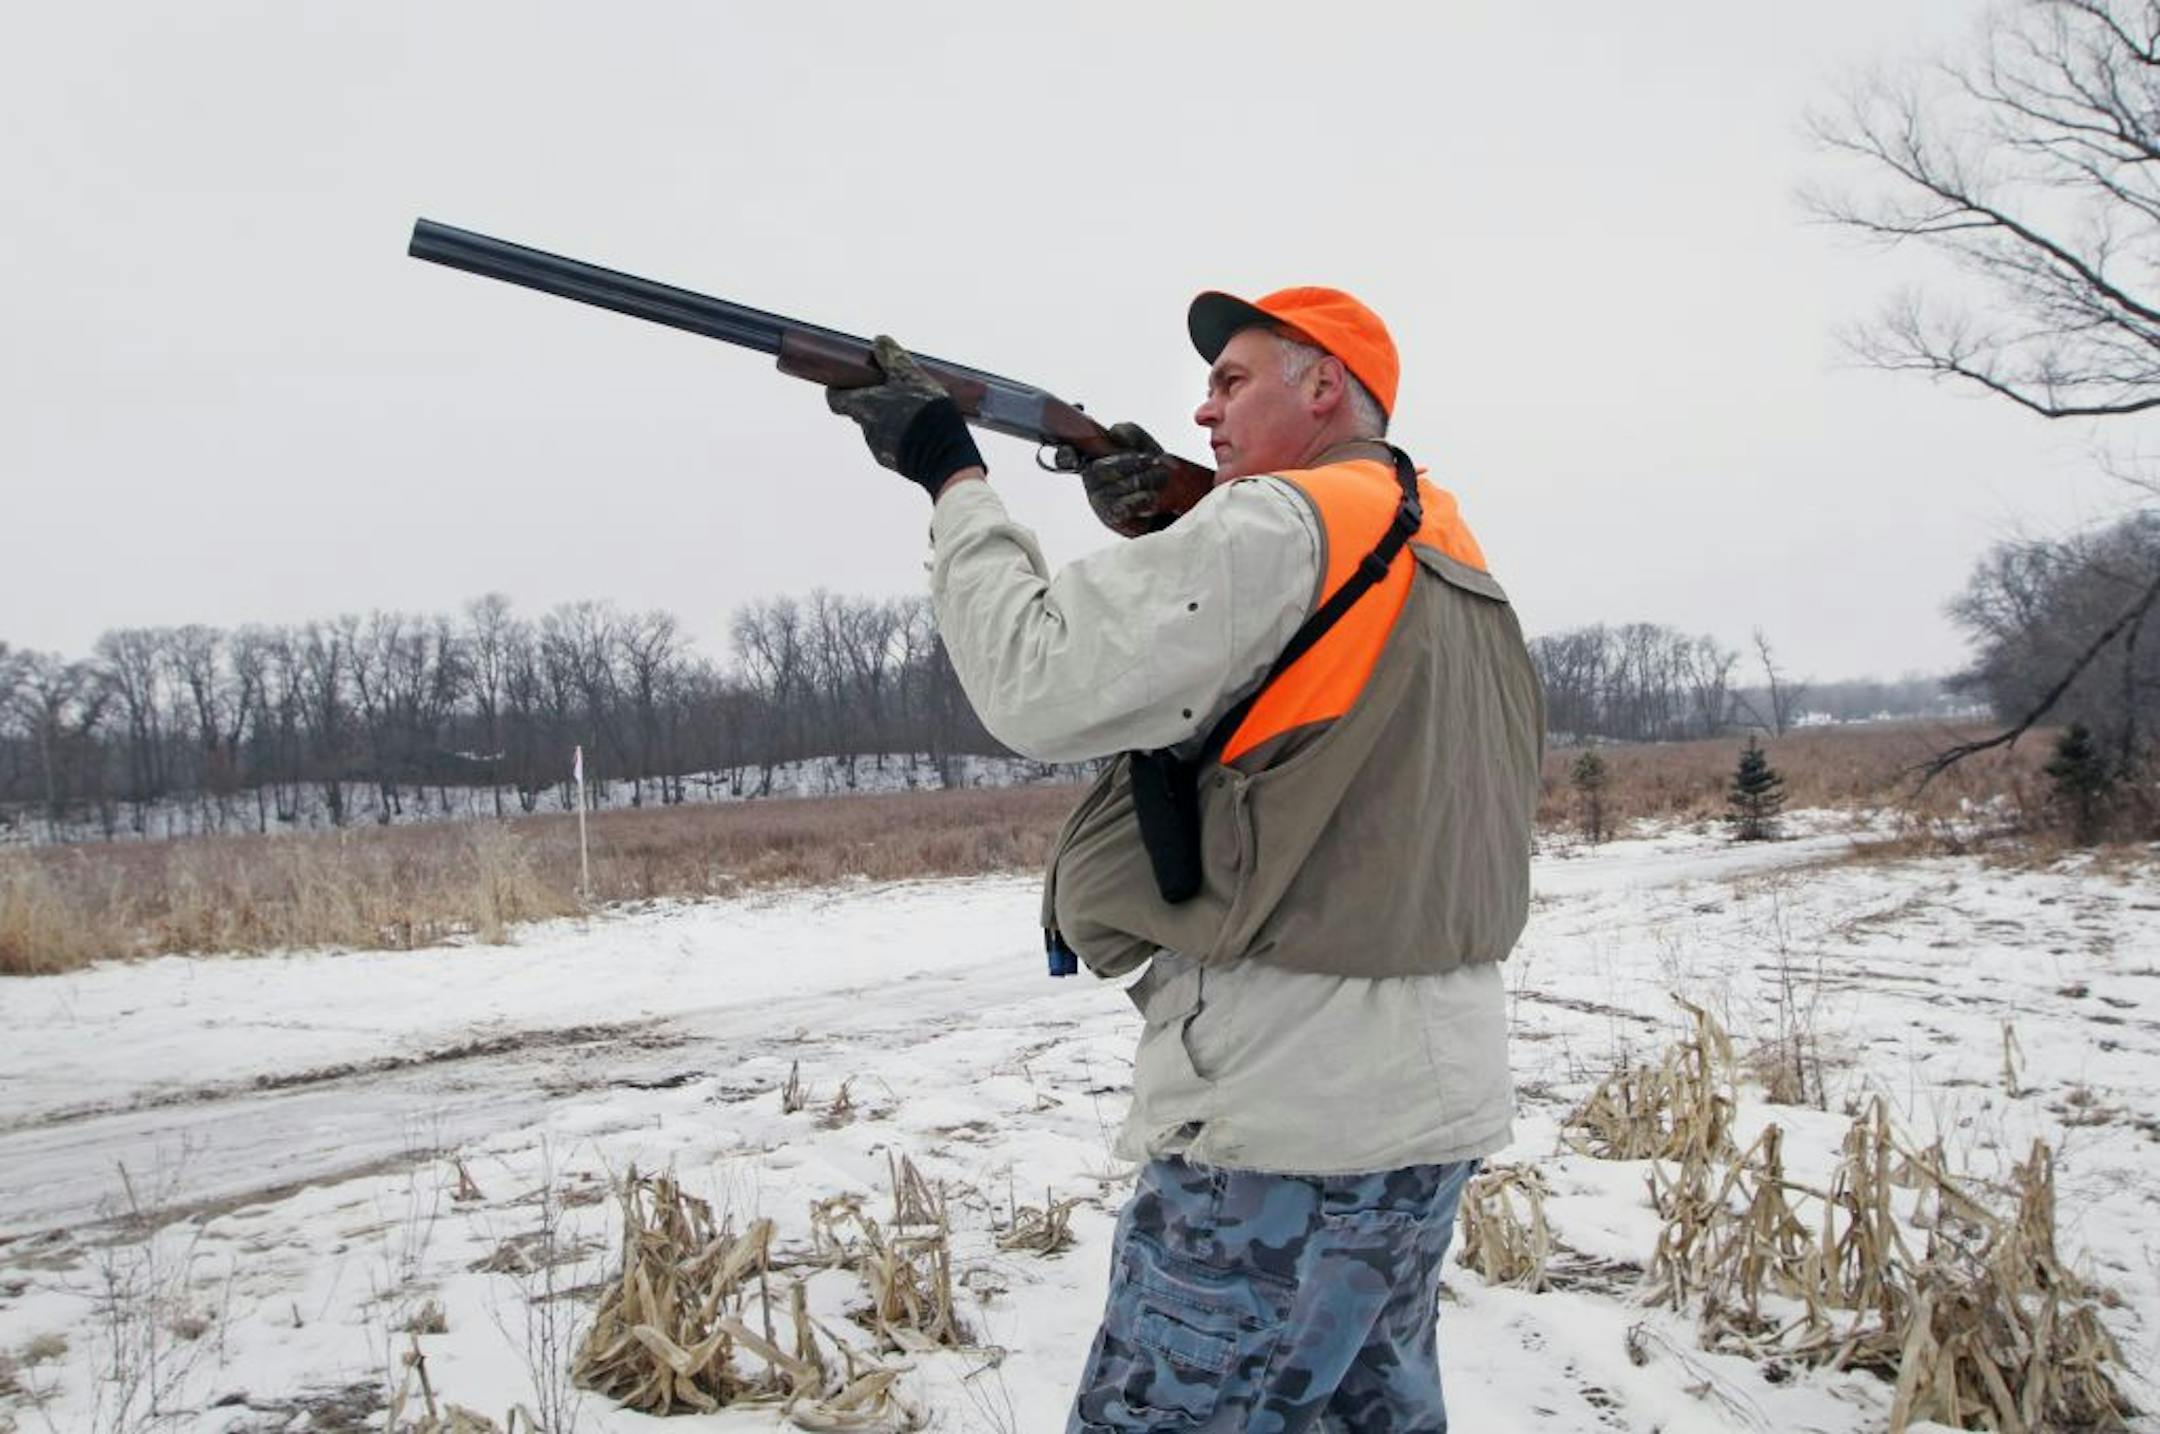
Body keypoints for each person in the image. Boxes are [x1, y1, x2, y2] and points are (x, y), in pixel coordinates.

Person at [825, 287, 1543, 1433]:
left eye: (1232, 381)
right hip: (1428, 1103)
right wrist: (1178, 521)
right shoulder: (1438, 533)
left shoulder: (1276, 526)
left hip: (1287, 1118)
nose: (1203, 411)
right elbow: (1312, 731)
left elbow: (1037, 682)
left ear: (1323, 387)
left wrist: (950, 471)